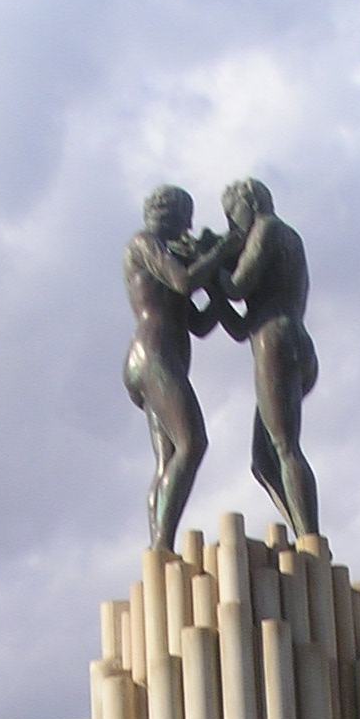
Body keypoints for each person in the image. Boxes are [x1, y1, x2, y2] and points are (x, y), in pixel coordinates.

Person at [122, 185, 240, 551]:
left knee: (169, 459)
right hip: (153, 355)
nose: (189, 227)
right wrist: (221, 250)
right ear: (171, 214)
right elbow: (184, 281)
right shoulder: (145, 243)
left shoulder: (167, 258)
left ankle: (159, 548)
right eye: (186, 218)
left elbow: (200, 324)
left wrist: (220, 285)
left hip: (160, 358)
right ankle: (161, 547)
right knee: (193, 442)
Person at [213, 178, 321, 537]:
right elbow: (242, 326)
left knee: (285, 448)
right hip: (290, 339)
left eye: (233, 215)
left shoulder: (267, 227)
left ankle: (311, 540)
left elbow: (237, 286)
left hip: (275, 342)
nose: (232, 225)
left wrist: (211, 262)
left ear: (251, 203)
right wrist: (214, 296)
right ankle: (302, 536)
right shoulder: (291, 239)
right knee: (264, 461)